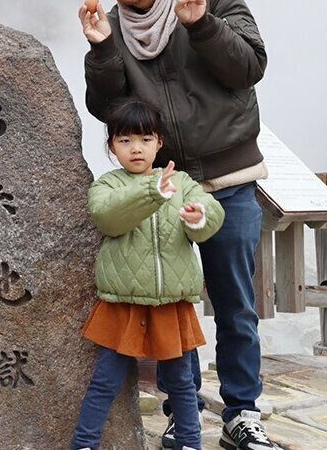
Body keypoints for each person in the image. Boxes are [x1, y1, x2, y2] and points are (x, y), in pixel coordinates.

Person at [78, 0, 276, 450]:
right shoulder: (112, 28)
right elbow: (111, 112)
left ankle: (242, 411)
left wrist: (202, 24)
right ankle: (181, 413)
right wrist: (102, 52)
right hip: (163, 190)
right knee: (171, 305)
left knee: (235, 304)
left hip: (229, 180)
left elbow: (250, 67)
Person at [72, 100, 222, 450]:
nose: (136, 148)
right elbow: (108, 217)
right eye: (124, 140)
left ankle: (190, 442)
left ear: (159, 142)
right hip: (122, 301)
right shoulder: (107, 186)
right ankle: (84, 444)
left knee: (182, 382)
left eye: (145, 139)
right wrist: (152, 192)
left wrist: (199, 216)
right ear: (111, 146)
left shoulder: (182, 182)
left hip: (170, 301)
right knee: (106, 381)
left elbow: (212, 213)